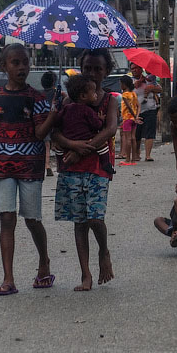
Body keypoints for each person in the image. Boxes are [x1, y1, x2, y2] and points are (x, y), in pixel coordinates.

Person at [0, 45, 56, 294]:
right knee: (7, 219)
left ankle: (44, 262)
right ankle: (8, 278)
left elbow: (40, 134)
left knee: (32, 219)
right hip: (3, 167)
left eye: (25, 63)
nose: (21, 68)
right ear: (3, 66)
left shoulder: (36, 98)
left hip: (31, 167)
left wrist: (53, 114)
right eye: (15, 63)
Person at [51, 48, 120, 292]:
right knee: (79, 221)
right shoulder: (68, 100)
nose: (91, 73)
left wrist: (83, 149)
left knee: (95, 217)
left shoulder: (110, 99)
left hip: (99, 166)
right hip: (71, 168)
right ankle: (86, 274)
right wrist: (72, 145)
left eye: (97, 69)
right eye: (87, 68)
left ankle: (104, 251)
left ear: (107, 71)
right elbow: (55, 131)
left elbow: (110, 129)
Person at [58, 75, 115, 177]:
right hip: (86, 138)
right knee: (103, 146)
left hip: (69, 137)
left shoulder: (66, 108)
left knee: (58, 147)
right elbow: (97, 125)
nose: (96, 95)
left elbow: (58, 121)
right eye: (93, 93)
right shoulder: (87, 110)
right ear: (83, 96)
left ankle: (60, 163)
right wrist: (101, 120)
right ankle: (106, 163)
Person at [131, 64, 159, 162]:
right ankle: (137, 154)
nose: (134, 70)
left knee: (150, 133)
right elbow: (127, 90)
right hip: (136, 112)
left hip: (150, 109)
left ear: (141, 69)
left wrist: (152, 88)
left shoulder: (149, 79)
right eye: (132, 69)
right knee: (137, 134)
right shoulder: (131, 81)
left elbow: (160, 89)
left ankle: (148, 155)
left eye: (136, 68)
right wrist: (138, 82)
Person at [39, 71, 61, 177]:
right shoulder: (56, 93)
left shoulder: (40, 94)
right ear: (54, 82)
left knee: (45, 144)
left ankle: (46, 165)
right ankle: (48, 166)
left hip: (42, 120)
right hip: (53, 120)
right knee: (52, 144)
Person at [119, 74, 140, 166]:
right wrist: (136, 116)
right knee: (133, 138)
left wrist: (134, 115)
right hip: (133, 119)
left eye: (121, 83)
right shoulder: (133, 94)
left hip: (127, 118)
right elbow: (138, 106)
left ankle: (127, 159)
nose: (120, 85)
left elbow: (129, 107)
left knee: (127, 138)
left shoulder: (125, 95)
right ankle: (133, 159)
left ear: (124, 84)